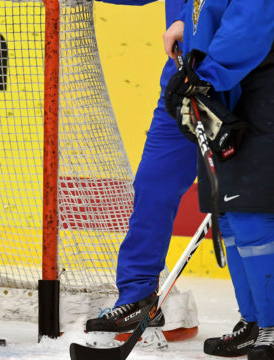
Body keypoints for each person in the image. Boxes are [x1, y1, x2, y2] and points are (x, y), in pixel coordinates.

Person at [83, 0, 197, 348]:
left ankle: (259, 319)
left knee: (246, 207)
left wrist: (190, 28)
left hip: (247, 84)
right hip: (183, 86)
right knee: (152, 184)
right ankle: (137, 297)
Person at [163, 2, 274, 359]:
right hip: (223, 90)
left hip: (257, 85)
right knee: (227, 212)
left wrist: (202, 74)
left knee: (253, 214)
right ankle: (255, 321)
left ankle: (272, 325)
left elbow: (252, 20)